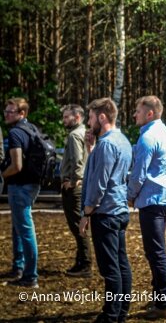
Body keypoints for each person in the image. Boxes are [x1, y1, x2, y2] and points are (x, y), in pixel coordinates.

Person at [79, 98, 133, 323]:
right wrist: (91, 148)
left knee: (110, 269)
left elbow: (98, 183)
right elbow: (106, 173)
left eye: (91, 118)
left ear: (102, 117)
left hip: (106, 213)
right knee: (121, 264)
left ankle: (111, 315)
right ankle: (121, 311)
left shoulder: (107, 145)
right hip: (118, 210)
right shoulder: (122, 140)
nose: (89, 122)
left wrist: (86, 213)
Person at [128, 96, 166, 320]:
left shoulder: (147, 138)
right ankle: (159, 298)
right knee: (156, 250)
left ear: (149, 113)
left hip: (153, 199)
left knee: (156, 252)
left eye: (138, 111)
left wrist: (130, 196)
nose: (134, 115)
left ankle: (163, 303)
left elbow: (139, 174)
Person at [1, 98, 41, 288]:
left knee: (25, 229)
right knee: (19, 227)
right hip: (32, 184)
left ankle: (30, 276)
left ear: (22, 114)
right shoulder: (31, 129)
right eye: (5, 111)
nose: (6, 114)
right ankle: (19, 266)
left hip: (20, 186)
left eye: (11, 112)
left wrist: (2, 174)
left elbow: (16, 166)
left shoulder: (16, 133)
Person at [60, 104, 92, 277]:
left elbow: (78, 161)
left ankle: (85, 264)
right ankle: (80, 261)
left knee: (78, 226)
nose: (64, 120)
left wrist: (73, 181)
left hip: (75, 187)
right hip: (83, 185)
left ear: (77, 117)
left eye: (67, 117)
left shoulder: (74, 135)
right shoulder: (86, 133)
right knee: (80, 225)